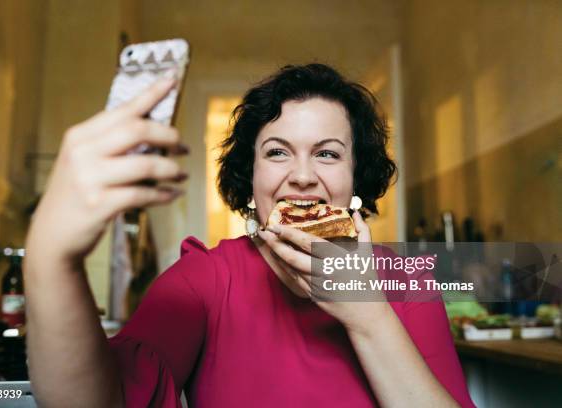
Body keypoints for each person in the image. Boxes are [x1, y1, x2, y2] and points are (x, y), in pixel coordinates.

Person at [25, 64, 475, 407]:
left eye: (328, 153)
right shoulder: (204, 278)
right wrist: (52, 257)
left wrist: (368, 315)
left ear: (356, 178)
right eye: (278, 152)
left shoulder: (407, 279)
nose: (302, 176)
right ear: (251, 176)